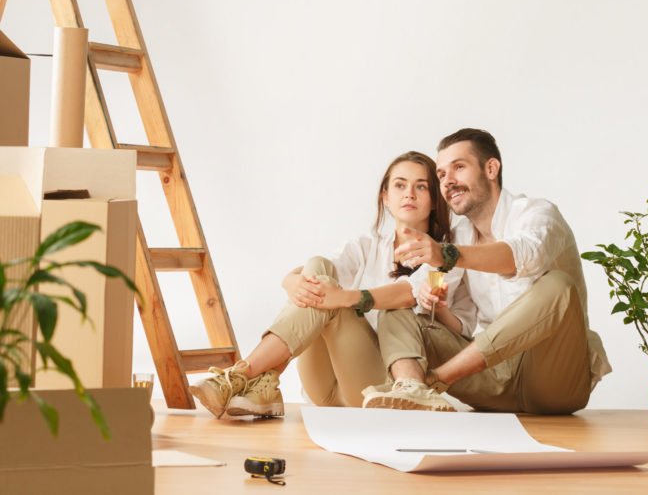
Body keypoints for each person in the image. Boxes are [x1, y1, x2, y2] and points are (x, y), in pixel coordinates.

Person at [189, 151, 472, 418]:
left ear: (435, 199)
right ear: (385, 196)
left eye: (421, 187)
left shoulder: (446, 254)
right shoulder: (366, 245)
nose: (409, 193)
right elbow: (315, 272)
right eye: (400, 185)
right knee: (318, 267)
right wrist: (289, 281)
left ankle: (246, 376)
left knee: (331, 292)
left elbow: (406, 295)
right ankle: (263, 378)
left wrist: (345, 298)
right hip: (324, 385)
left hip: (375, 385)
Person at [362, 128, 611, 414]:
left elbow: (519, 255)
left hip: (553, 382)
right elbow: (410, 290)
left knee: (558, 285)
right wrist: (352, 298)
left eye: (459, 167)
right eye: (441, 175)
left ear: (491, 168)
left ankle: (433, 381)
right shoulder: (460, 234)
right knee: (398, 307)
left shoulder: (537, 214)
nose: (448, 182)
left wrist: (447, 255)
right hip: (495, 378)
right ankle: (412, 389)